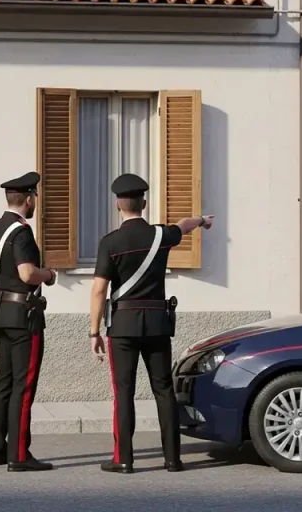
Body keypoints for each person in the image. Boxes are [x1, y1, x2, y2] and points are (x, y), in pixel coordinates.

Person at [89, 172, 214, 474]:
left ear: (118, 204)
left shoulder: (110, 242)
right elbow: (183, 225)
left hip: (123, 326)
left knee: (124, 392)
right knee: (163, 390)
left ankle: (123, 459)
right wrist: (201, 220)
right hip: (157, 324)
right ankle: (173, 459)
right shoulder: (161, 236)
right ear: (143, 204)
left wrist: (94, 331)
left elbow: (99, 290)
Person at [0, 171, 58, 472]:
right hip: (24, 317)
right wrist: (48, 275)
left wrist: (1, 298)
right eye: (34, 197)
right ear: (28, 200)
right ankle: (19, 455)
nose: (35, 202)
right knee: (23, 386)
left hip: (1, 313)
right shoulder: (22, 232)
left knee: (4, 383)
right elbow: (27, 274)